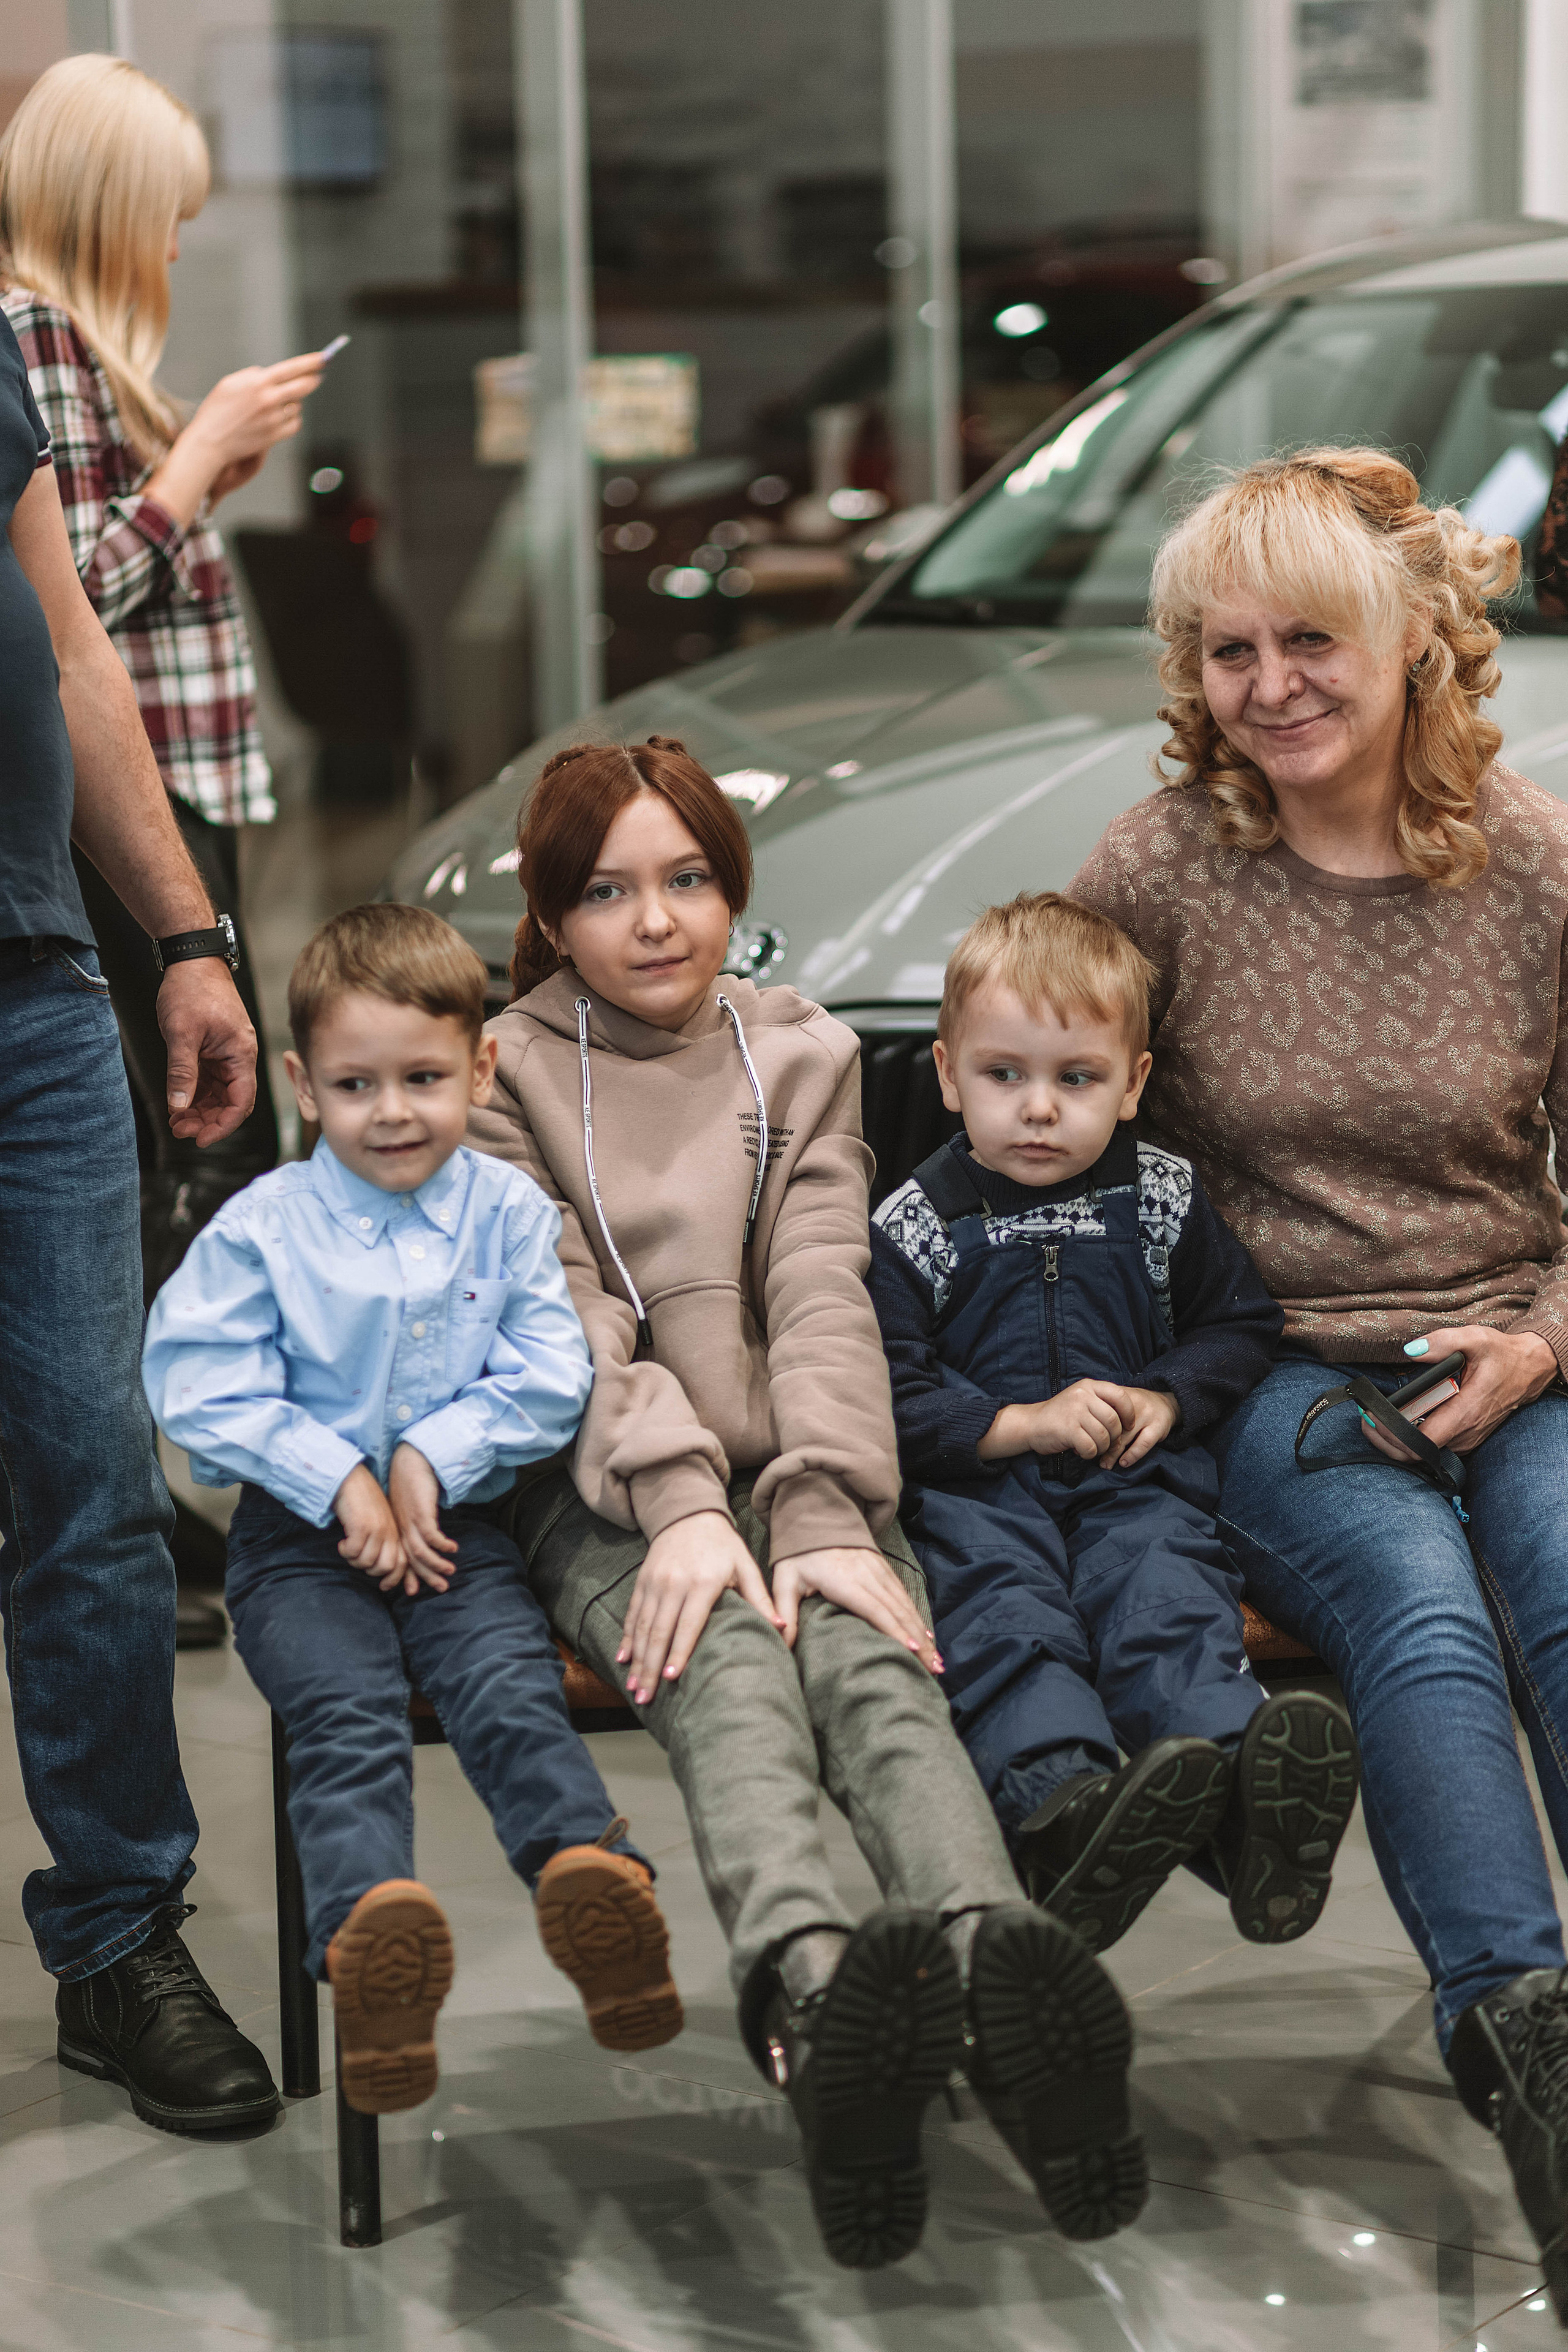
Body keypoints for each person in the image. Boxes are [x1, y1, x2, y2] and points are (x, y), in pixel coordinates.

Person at [467, 736, 1146, 2272]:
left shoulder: (802, 1051)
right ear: (551, 914)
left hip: (799, 1465)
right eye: (609, 892)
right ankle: (820, 1998)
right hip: (603, 1483)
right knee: (726, 1682)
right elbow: (558, 1320)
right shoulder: (501, 1073)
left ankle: (998, 1979)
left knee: (874, 1668)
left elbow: (823, 1294)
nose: (656, 922)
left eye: (689, 879)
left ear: (731, 886)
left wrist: (828, 1509)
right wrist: (682, 1506)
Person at [1070, 445, 1568, 2320]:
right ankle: (1526, 2036)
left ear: (1411, 644)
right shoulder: (1160, 869)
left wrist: (1543, 1342)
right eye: (1224, 652)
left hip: (1514, 1336)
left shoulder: (1531, 860)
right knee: (1424, 1621)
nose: (1267, 686)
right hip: (1272, 1362)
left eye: (1308, 643)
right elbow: (1061, 1149)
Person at [143, 903, 682, 2110]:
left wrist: (432, 1457)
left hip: (458, 1535)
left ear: (478, 1067)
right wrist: (332, 1473)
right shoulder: (266, 1229)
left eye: (424, 1079)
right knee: (345, 1714)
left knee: (504, 1689)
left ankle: (589, 1879)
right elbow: (188, 1374)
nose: (391, 1111)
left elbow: (549, 1369)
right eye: (354, 1084)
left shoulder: (501, 1213)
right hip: (300, 1547)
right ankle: (372, 1945)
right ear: (301, 1082)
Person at [869, 890, 1359, 1954]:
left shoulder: (1165, 1198)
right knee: (1003, 1617)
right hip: (978, 1494)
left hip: (1134, 1482)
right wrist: (1010, 1426)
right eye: (1004, 1076)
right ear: (949, 1073)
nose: (1038, 1109)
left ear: (1132, 1087)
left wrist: (1168, 1394)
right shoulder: (914, 1225)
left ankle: (1241, 1790)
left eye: (1076, 1079)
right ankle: (1063, 1808)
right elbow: (886, 1388)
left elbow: (1241, 1323)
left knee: (1165, 1595)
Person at [0, 295, 278, 2129]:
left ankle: (117, 1933)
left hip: (29, 993)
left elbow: (77, 657)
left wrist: (184, 932)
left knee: (95, 1482)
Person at [0, 55, 326, 1298]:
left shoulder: (65, 343)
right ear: (116, 211)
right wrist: (194, 466)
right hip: (128, 804)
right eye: (172, 222)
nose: (180, 254)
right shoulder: (34, 331)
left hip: (162, 787)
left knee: (195, 1127)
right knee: (200, 1134)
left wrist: (198, 478)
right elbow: (65, 607)